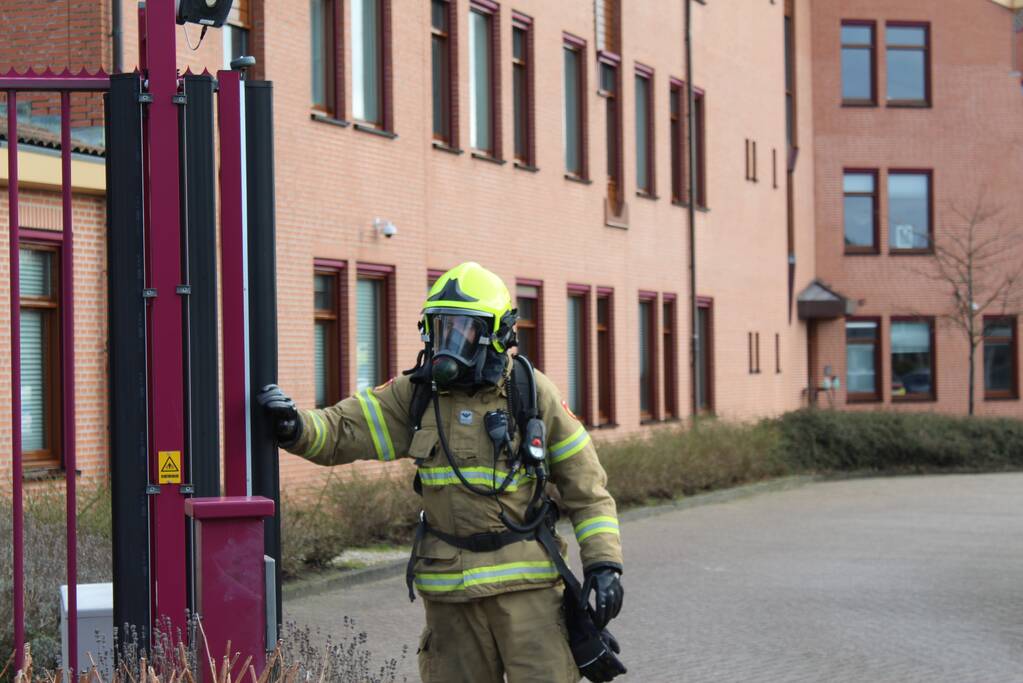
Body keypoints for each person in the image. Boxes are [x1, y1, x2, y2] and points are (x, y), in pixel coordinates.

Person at [258, 262, 625, 682]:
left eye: (463, 329)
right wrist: (295, 426)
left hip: (529, 595)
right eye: (441, 327)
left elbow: (588, 491)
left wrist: (604, 565)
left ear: (497, 333)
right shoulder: (416, 394)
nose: (448, 342)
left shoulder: (530, 393)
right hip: (450, 597)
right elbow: (344, 428)